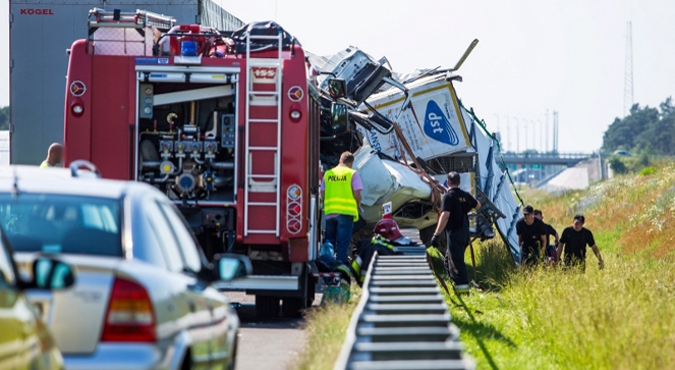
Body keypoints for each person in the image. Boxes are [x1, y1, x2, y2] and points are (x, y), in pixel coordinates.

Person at [428, 172, 481, 293]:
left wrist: (436, 235)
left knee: (457, 262)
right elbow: (478, 205)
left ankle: (462, 290)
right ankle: (454, 282)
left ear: (447, 181)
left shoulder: (448, 197)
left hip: (454, 233)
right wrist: (466, 206)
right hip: (465, 233)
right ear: (459, 182)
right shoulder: (465, 195)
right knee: (448, 259)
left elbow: (445, 215)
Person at [321, 152, 363, 264]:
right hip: (345, 213)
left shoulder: (328, 174)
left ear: (340, 160)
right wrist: (357, 204)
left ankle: (327, 266)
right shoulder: (352, 173)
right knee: (342, 244)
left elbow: (322, 194)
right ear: (350, 163)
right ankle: (339, 271)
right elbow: (357, 195)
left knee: (329, 242)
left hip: (330, 213)